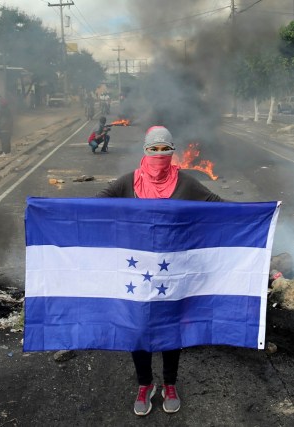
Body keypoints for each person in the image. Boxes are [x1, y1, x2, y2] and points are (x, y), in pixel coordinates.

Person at [96, 126, 223, 416]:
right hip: (137, 273)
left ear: (172, 150)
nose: (159, 154)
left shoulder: (186, 183)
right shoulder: (127, 182)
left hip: (172, 271)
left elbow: (217, 206)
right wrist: (57, 211)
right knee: (138, 328)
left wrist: (256, 215)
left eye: (164, 149)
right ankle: (144, 384)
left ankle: (170, 383)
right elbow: (97, 203)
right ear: (144, 150)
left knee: (171, 327)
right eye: (153, 149)